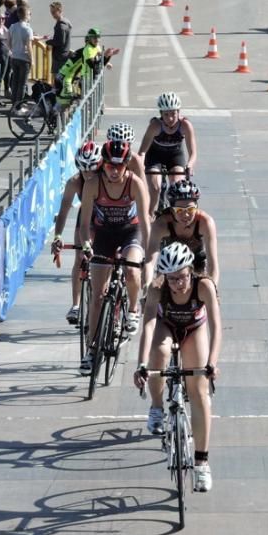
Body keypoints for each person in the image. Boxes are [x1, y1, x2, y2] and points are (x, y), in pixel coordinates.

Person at [134, 242, 221, 492]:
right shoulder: (157, 288)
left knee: (199, 390)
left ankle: (202, 463)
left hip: (195, 329)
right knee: (158, 354)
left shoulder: (203, 286)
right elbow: (148, 326)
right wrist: (141, 364)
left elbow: (216, 327)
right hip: (167, 325)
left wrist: (212, 362)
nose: (178, 284)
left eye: (182, 277)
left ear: (190, 271)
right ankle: (157, 407)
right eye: (172, 279)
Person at [78, 140, 150, 373]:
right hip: (105, 234)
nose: (115, 171)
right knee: (98, 298)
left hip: (131, 231)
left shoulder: (135, 184)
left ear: (127, 165)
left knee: (131, 269)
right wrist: (86, 245)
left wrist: (148, 255)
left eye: (120, 166)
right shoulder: (92, 184)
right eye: (110, 166)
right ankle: (91, 350)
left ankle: (132, 311)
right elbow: (84, 223)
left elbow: (146, 224)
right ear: (103, 165)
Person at [51, 141, 102, 323]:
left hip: (106, 218)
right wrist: (57, 236)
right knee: (80, 257)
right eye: (84, 170)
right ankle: (76, 305)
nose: (88, 174)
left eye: (92, 170)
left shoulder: (107, 176)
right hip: (87, 218)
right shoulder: (74, 182)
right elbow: (64, 211)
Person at [146, 179, 219, 288]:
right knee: (158, 293)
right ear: (171, 210)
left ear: (196, 207)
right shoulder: (161, 224)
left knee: (205, 290)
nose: (186, 215)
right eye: (180, 210)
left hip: (196, 262)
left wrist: (212, 289)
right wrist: (147, 285)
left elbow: (212, 265)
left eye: (190, 210)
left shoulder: (205, 222)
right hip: (170, 266)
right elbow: (150, 261)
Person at [137, 92, 198, 216]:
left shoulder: (185, 125)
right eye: (166, 115)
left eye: (173, 114)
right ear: (161, 114)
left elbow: (193, 153)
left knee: (177, 185)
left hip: (175, 155)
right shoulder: (155, 126)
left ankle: (175, 214)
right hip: (155, 155)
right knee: (155, 188)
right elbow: (142, 151)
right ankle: (150, 215)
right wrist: (141, 165)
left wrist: (190, 165)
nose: (170, 119)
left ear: (178, 112)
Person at [7, 5, 34, 104]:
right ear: (26, 15)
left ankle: (14, 103)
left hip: (14, 57)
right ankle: (18, 105)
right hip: (24, 58)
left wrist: (12, 50)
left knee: (15, 81)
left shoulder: (12, 27)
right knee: (22, 83)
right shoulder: (28, 30)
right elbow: (29, 46)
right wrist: (32, 60)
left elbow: (8, 41)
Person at [47, 1, 72, 88]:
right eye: (51, 12)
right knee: (61, 80)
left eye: (54, 12)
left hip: (59, 57)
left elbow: (60, 42)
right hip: (63, 55)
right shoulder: (65, 23)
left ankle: (57, 99)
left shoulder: (61, 25)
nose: (52, 14)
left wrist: (49, 42)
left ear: (60, 10)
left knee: (57, 81)